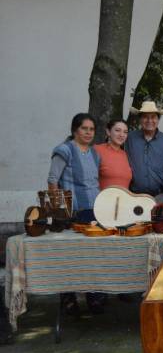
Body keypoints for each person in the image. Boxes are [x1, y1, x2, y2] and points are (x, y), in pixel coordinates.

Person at [46, 113, 104, 314]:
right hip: (71, 212)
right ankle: (68, 297)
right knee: (70, 255)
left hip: (92, 211)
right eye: (84, 128)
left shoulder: (94, 153)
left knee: (93, 255)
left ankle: (93, 296)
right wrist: (59, 211)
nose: (88, 132)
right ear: (74, 130)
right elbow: (53, 181)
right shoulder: (64, 150)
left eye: (91, 129)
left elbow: (93, 182)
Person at [125, 101, 163, 204]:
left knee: (160, 220)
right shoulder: (129, 139)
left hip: (160, 197)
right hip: (134, 197)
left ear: (158, 120)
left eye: (153, 117)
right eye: (145, 117)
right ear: (140, 119)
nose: (149, 120)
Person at [95, 119, 132, 190]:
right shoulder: (97, 150)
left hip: (124, 200)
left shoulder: (125, 154)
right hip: (102, 199)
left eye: (125, 132)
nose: (122, 135)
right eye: (117, 130)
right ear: (108, 132)